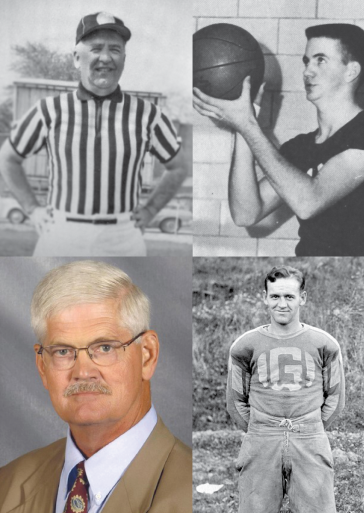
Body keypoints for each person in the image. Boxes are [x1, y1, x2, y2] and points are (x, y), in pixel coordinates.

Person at [0, 260, 191, 512]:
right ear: (42, 367)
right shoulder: (6, 485)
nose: (83, 372)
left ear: (147, 355)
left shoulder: (190, 493)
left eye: (104, 348)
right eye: (63, 351)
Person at [0, 12, 189, 257]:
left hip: (122, 236)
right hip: (62, 233)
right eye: (96, 48)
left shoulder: (148, 114)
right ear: (77, 58)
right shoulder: (49, 110)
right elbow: (8, 158)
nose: (106, 58)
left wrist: (151, 210)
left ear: (124, 58)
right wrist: (32, 209)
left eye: (115, 49)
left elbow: (179, 166)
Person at [193, 24, 364, 256]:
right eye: (306, 61)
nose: (307, 71)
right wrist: (244, 121)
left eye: (320, 60)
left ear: (351, 71)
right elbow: (246, 213)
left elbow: (309, 202)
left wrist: (247, 124)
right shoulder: (299, 147)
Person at [226, 266, 345, 513]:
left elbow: (335, 397)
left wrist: (310, 427)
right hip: (261, 439)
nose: (282, 304)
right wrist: (261, 427)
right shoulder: (245, 346)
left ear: (303, 297)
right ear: (265, 297)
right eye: (275, 296)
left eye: (289, 296)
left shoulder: (325, 344)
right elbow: (236, 401)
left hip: (310, 438)